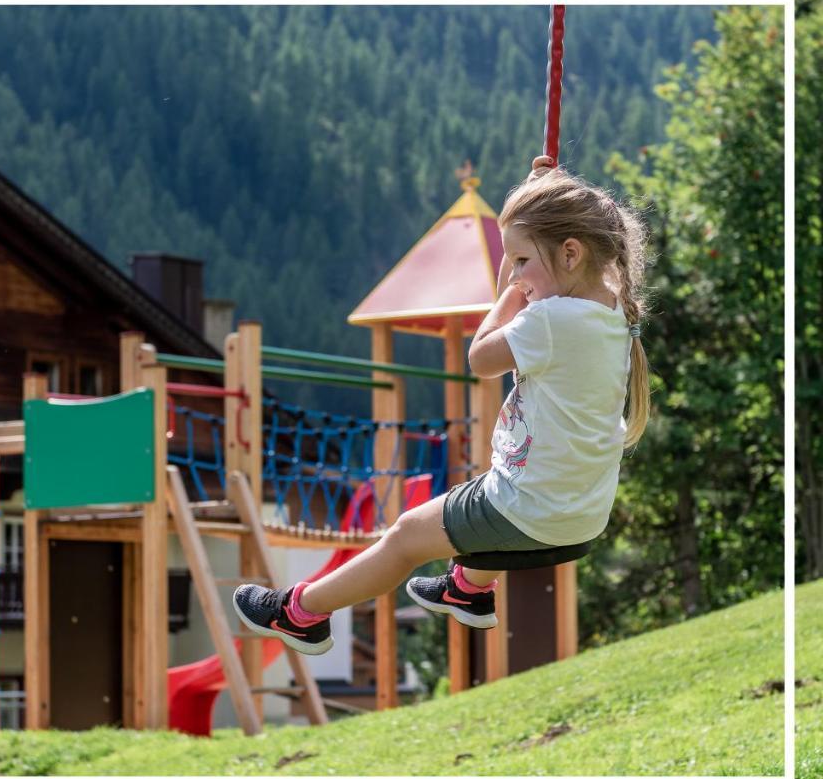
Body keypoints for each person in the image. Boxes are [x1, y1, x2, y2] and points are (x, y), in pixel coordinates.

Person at [233, 156, 651, 656]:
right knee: (494, 493)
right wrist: (538, 210)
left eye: (521, 260)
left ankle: (300, 613)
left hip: (533, 507)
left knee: (407, 535)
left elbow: (481, 356)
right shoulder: (612, 304)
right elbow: (537, 278)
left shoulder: (552, 320)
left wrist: (516, 287)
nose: (517, 276)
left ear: (570, 253)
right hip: (582, 512)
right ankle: (468, 590)